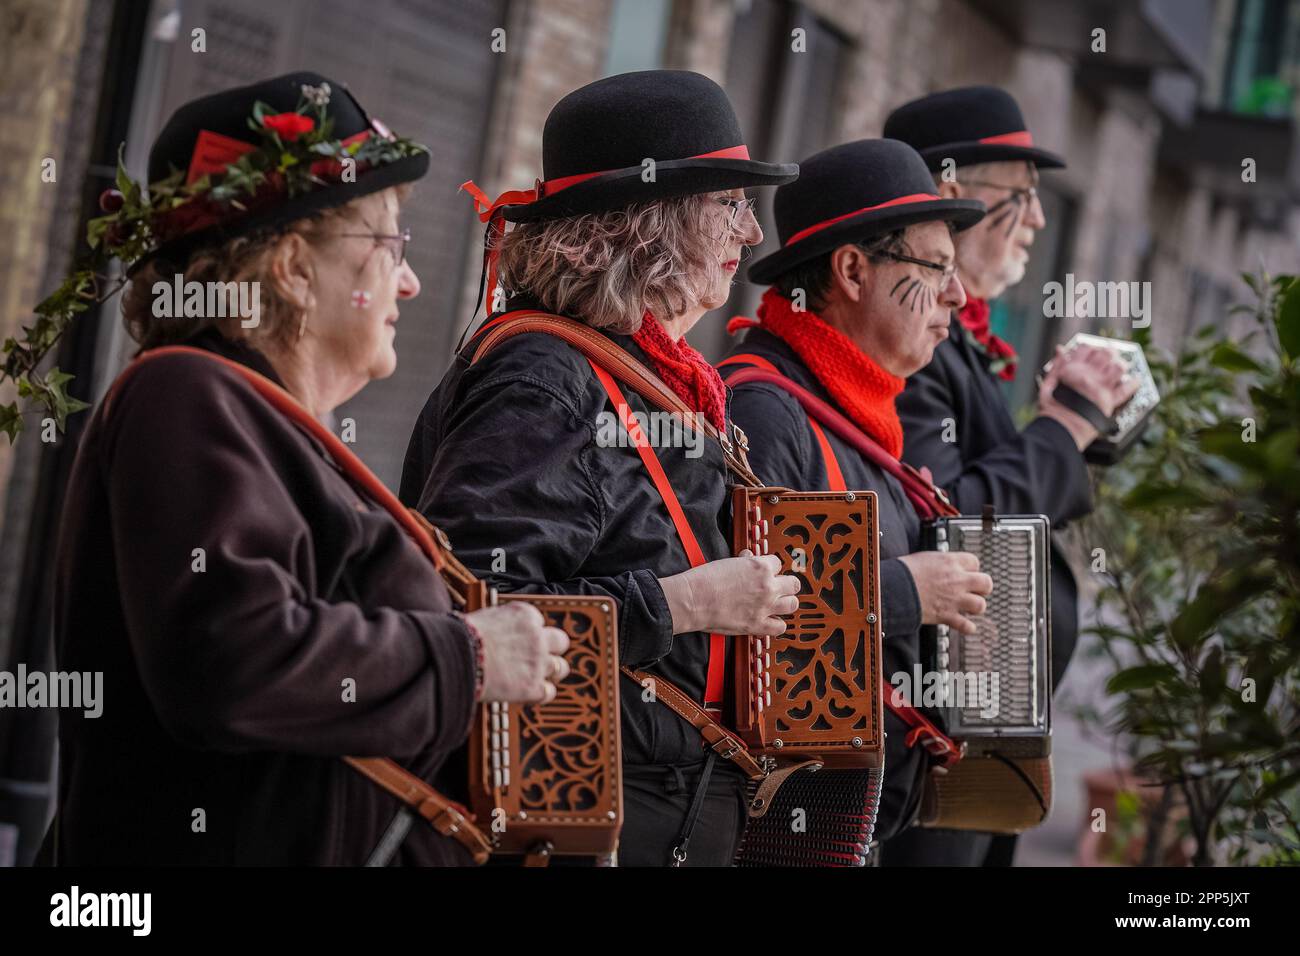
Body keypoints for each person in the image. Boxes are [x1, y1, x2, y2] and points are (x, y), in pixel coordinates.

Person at [35, 72, 564, 866]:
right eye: (388, 245)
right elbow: (232, 662)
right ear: (291, 268)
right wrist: (469, 656)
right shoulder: (183, 393)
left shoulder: (242, 410)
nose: (411, 281)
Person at [401, 69, 800, 866]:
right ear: (650, 224)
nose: (752, 235)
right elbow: (480, 613)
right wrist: (679, 605)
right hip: (573, 824)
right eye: (731, 205)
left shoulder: (643, 373)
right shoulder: (543, 379)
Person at [881, 86, 1137, 865]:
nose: (1038, 219)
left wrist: (1084, 425)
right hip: (935, 736)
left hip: (978, 729)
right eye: (1020, 196)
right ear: (952, 194)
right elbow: (955, 522)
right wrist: (1062, 428)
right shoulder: (914, 348)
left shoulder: (956, 341)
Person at [720, 138, 994, 855]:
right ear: (851, 270)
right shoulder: (765, 411)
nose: (959, 297)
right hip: (781, 837)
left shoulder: (856, 412)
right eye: (936, 268)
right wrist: (904, 591)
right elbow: (740, 622)